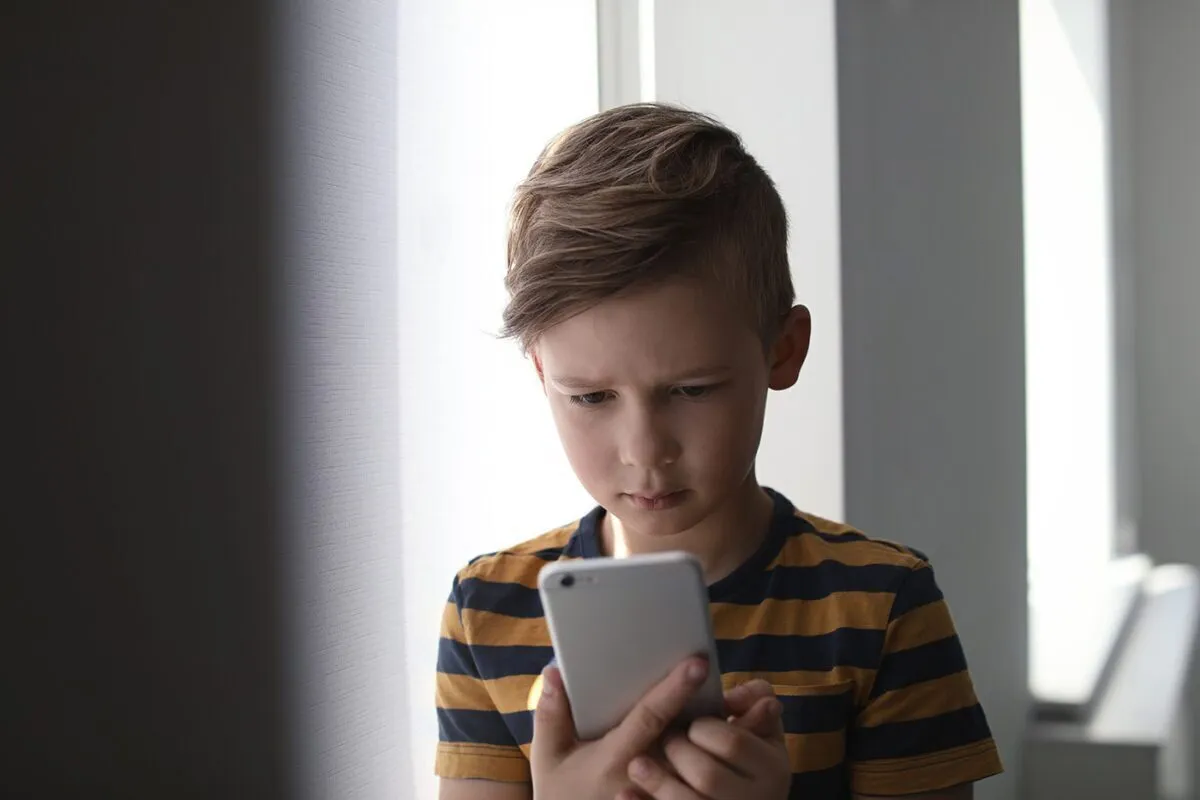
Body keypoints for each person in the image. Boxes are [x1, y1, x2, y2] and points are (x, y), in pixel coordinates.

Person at [435, 103, 1003, 800]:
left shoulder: (885, 610)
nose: (645, 451)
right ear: (541, 374)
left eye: (692, 390)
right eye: (591, 397)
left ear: (782, 351)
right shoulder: (487, 614)